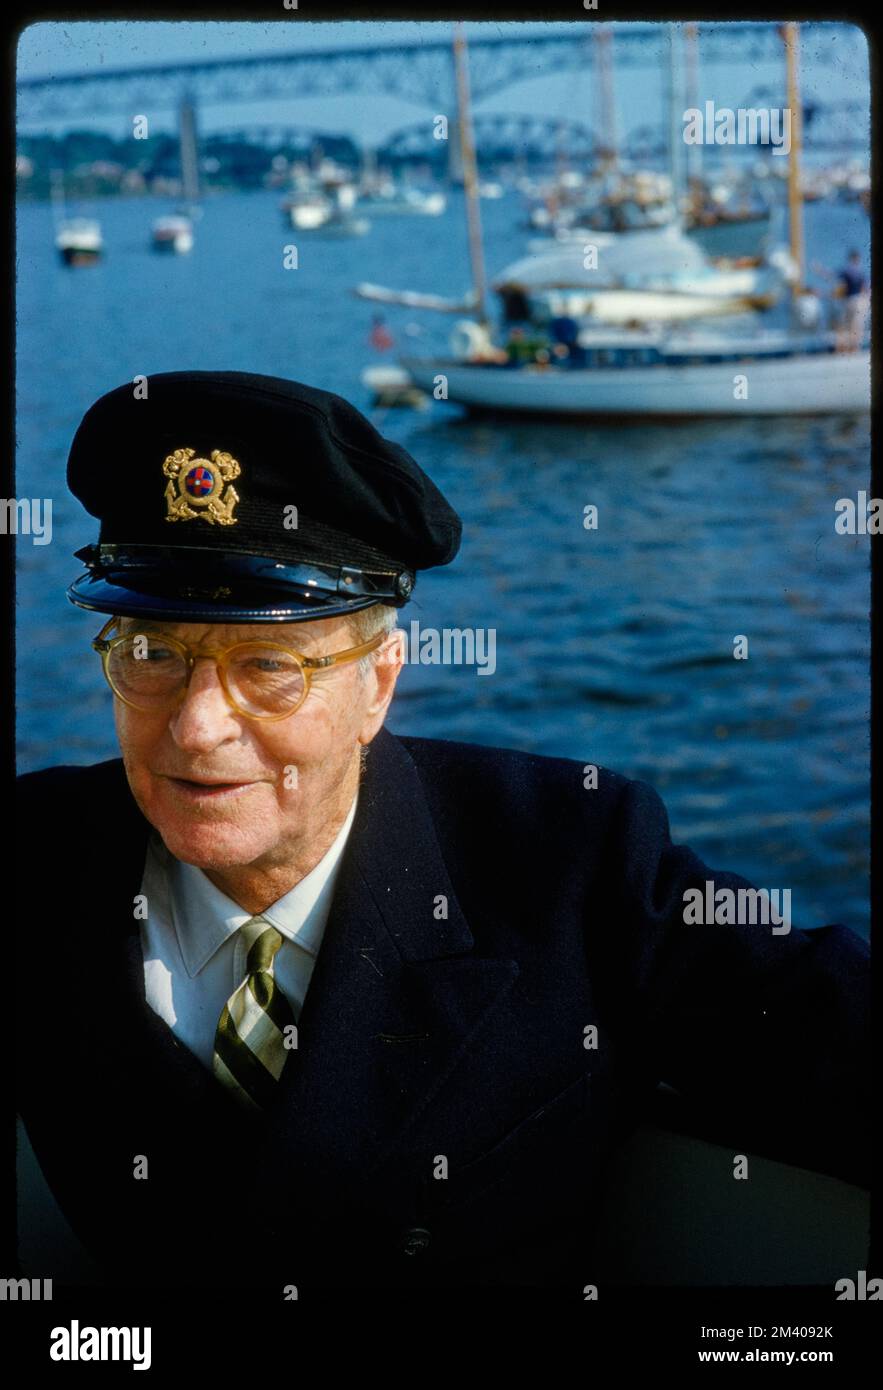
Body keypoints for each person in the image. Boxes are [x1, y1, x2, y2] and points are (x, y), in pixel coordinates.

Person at [15, 371, 870, 1298]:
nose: (196, 727)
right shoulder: (33, 858)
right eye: (151, 655)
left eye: (266, 664)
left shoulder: (569, 861)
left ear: (378, 683)